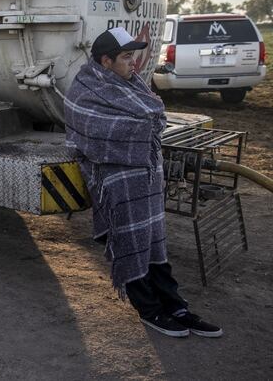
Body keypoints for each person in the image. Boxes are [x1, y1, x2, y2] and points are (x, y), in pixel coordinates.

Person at [64, 27, 222, 338]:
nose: (134, 63)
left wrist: (143, 128)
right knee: (132, 243)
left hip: (147, 177)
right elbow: (93, 132)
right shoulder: (83, 91)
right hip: (116, 182)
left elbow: (153, 115)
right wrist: (143, 129)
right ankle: (150, 311)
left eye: (134, 56)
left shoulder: (130, 83)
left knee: (154, 242)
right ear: (106, 61)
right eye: (126, 57)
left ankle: (177, 307)